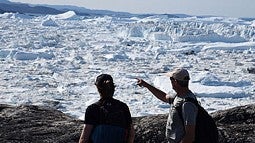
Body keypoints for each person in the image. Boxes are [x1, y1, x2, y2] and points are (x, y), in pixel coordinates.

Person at [137, 68, 197, 143]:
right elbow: (164, 97)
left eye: (171, 79)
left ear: (175, 81)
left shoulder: (188, 104)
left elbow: (190, 136)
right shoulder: (178, 95)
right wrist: (146, 85)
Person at [79, 74, 135, 143]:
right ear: (113, 88)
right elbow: (131, 134)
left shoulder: (93, 108)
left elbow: (84, 138)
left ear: (97, 88)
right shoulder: (123, 107)